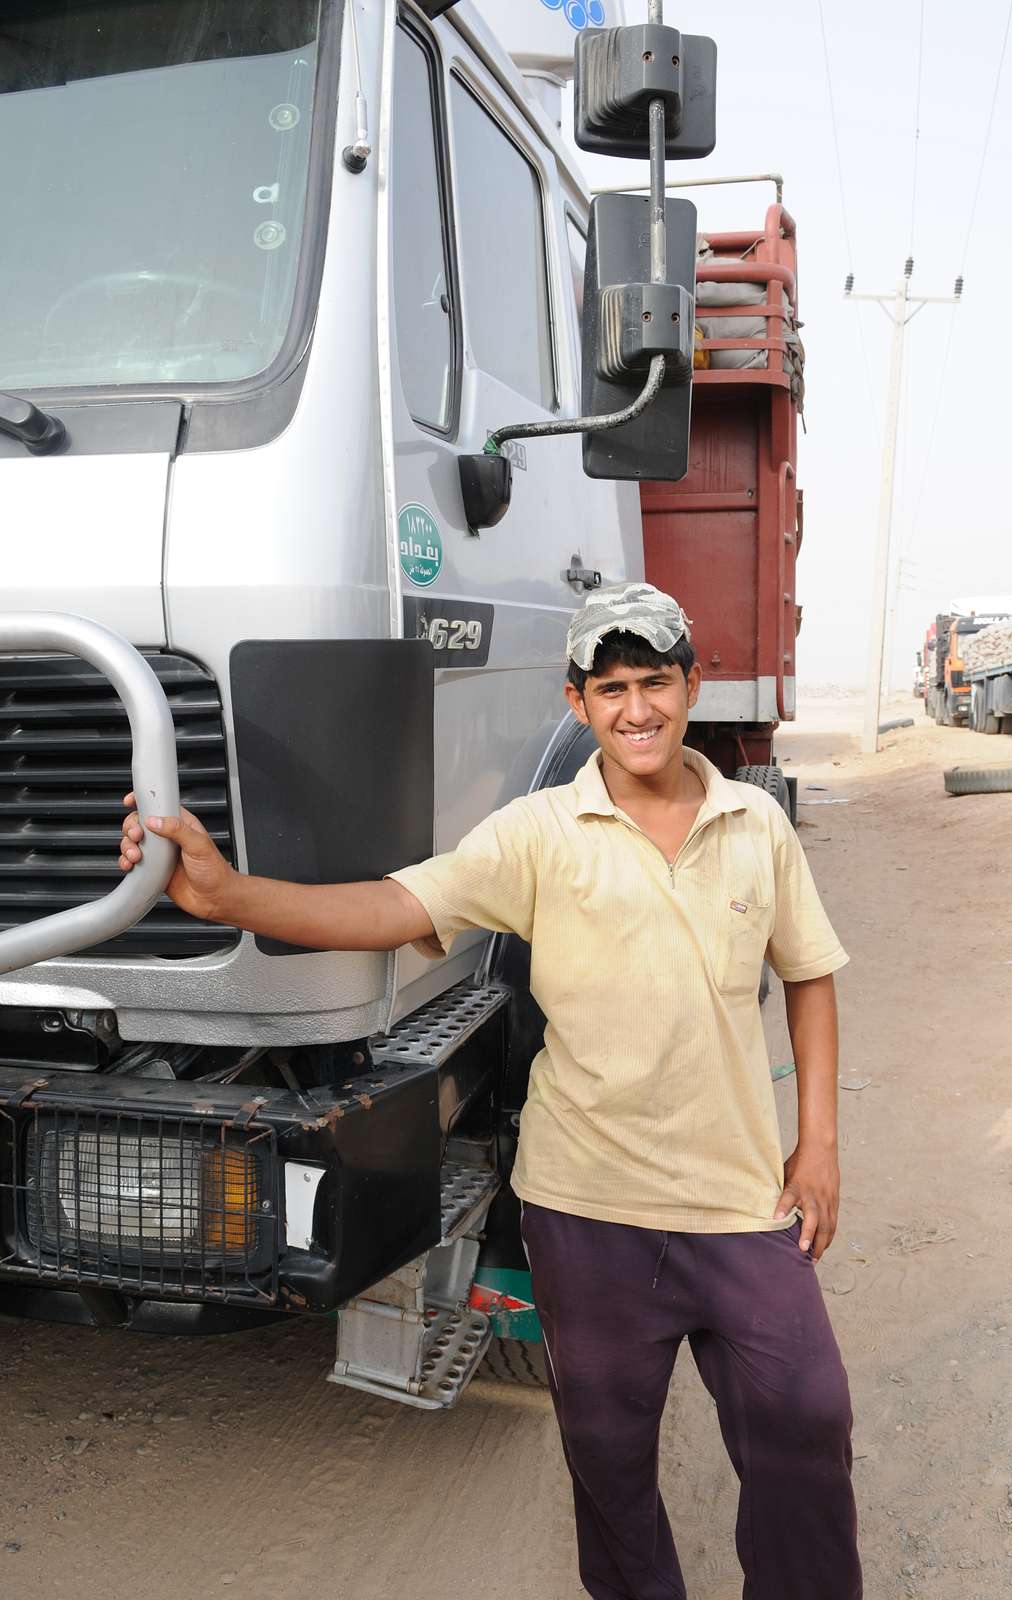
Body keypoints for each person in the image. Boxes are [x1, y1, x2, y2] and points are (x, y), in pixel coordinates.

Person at [119, 582, 861, 1600]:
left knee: (806, 1426)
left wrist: (815, 1143)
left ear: (691, 686)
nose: (635, 708)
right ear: (576, 703)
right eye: (611, 688)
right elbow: (394, 903)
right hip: (587, 1211)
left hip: (737, 1204)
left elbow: (809, 973)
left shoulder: (753, 823)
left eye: (654, 682)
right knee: (608, 1463)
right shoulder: (536, 833)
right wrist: (225, 895)